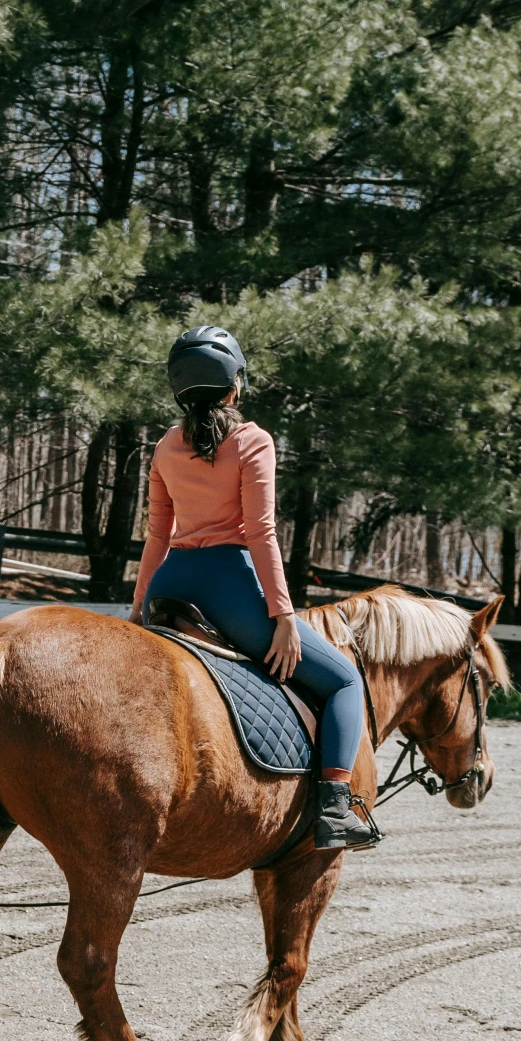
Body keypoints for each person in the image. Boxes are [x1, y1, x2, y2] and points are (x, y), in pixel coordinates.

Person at [130, 326, 377, 850]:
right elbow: (260, 531)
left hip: (171, 580)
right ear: (235, 384)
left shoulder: (166, 445)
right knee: (343, 681)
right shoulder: (252, 440)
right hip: (229, 585)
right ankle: (334, 806)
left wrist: (137, 608)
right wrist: (285, 617)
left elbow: (157, 534)